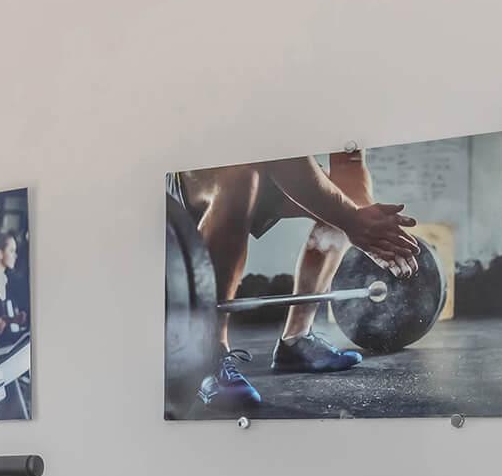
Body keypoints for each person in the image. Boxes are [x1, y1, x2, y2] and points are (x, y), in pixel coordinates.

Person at [176, 150, 418, 409]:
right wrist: (352, 220)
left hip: (272, 165)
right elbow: (278, 153)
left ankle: (297, 340)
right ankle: (207, 354)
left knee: (344, 203)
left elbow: (350, 163)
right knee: (241, 175)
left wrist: (370, 228)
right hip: (203, 171)